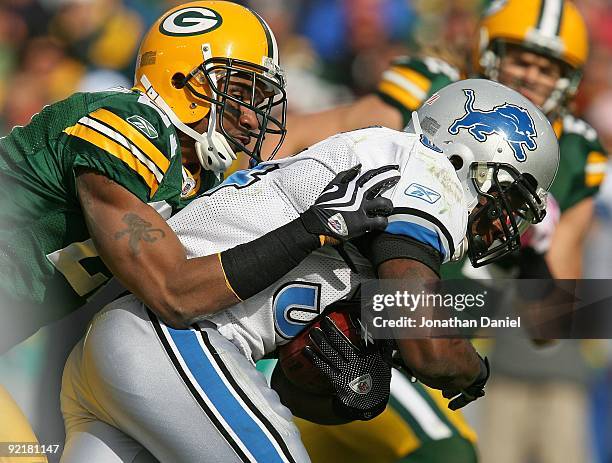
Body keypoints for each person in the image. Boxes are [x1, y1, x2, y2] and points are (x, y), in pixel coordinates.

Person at [60, 79, 560, 462]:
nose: (505, 221)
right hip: (176, 336)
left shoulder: (381, 164)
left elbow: (290, 387)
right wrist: (473, 369)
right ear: (471, 156)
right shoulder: (427, 175)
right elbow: (427, 344)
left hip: (126, 348)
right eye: (511, 196)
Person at [0, 1, 395, 459]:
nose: (251, 115)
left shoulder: (194, 175)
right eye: (242, 88)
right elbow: (174, 291)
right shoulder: (133, 125)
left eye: (259, 96)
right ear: (182, 78)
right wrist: (310, 232)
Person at [270, 1, 607, 461]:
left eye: (547, 68)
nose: (530, 77)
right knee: (447, 452)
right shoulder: (435, 93)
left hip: (423, 348)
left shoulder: (575, 154)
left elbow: (554, 323)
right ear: (486, 52)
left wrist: (531, 253)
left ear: (568, 81)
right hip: (350, 317)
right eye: (519, 59)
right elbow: (299, 139)